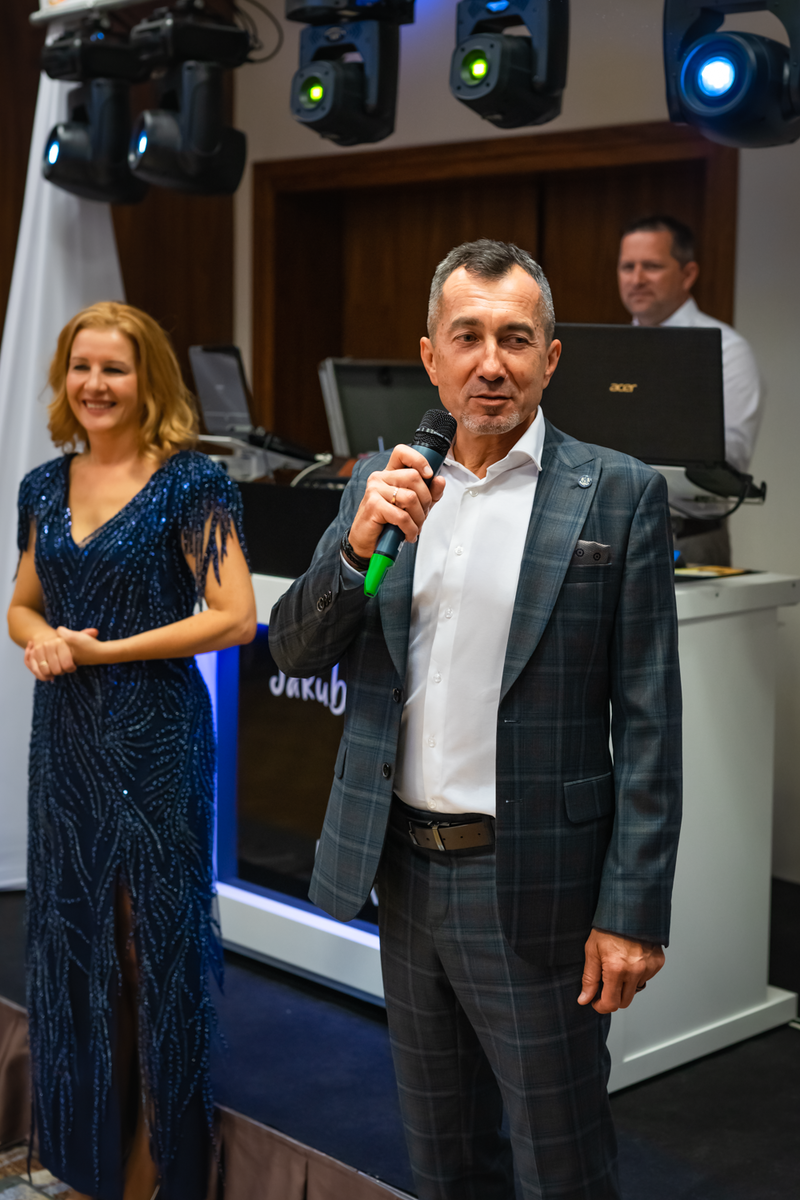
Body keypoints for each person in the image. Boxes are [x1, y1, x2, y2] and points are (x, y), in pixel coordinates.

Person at [269, 240, 682, 1199]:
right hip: (404, 876)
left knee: (560, 1161)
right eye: (467, 337)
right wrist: (353, 550)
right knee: (443, 1156)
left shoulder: (617, 494)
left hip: (537, 885)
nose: (490, 363)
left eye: (515, 338)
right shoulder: (384, 482)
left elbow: (651, 724)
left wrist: (631, 913)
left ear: (551, 357)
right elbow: (293, 649)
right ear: (431, 357)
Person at [7, 302, 256, 1200]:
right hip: (67, 743)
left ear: (148, 379)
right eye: (82, 367)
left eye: (114, 368)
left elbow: (234, 617)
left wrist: (103, 650)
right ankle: (86, 1164)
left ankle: (162, 1171)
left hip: (156, 739)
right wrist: (41, 637)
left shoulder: (192, 484)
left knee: (154, 946)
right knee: (77, 943)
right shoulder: (43, 485)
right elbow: (22, 603)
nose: (95, 384)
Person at [617, 214, 763, 566]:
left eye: (652, 266)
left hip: (690, 538)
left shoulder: (726, 349)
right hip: (614, 532)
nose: (636, 279)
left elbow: (729, 458)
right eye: (627, 267)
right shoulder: (609, 351)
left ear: (688, 274)